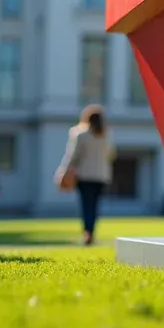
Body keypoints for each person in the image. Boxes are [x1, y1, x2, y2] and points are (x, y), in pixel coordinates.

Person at [59, 105, 114, 245]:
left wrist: (63, 171)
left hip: (85, 176)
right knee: (94, 206)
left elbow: (72, 156)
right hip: (101, 176)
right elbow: (111, 155)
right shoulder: (106, 135)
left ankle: (87, 232)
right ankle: (91, 232)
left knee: (86, 205)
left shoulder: (80, 134)